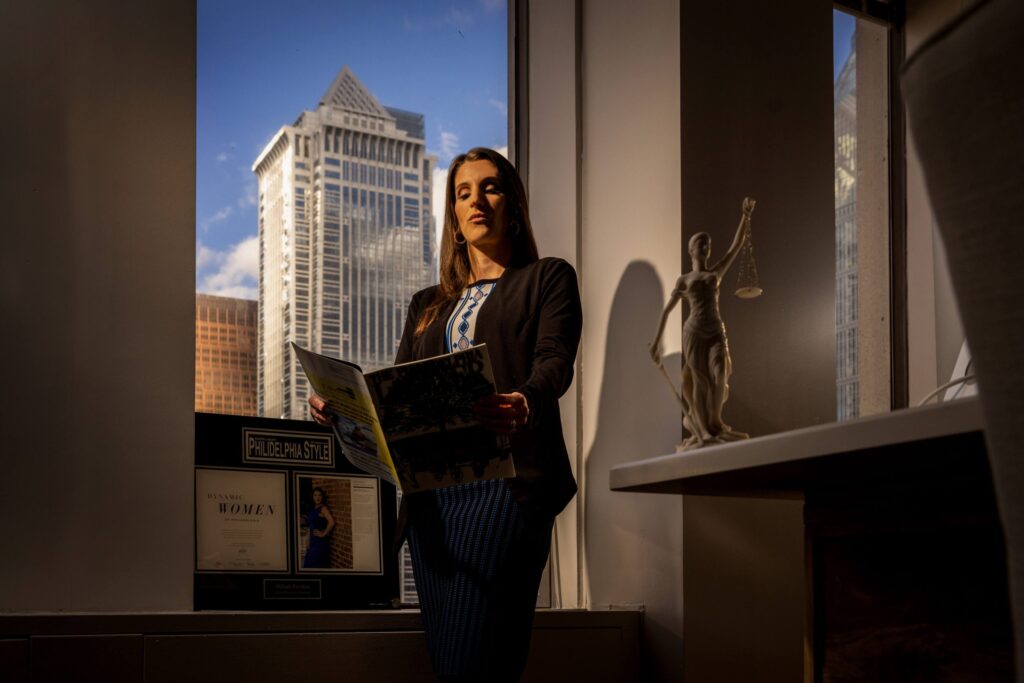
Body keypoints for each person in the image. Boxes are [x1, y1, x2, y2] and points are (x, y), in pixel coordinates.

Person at [310, 147, 582, 682]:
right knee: (455, 661)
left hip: (507, 488)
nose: (477, 200)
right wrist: (344, 413)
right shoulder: (426, 304)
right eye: (463, 193)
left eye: (491, 187)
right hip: (432, 503)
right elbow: (398, 401)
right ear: (454, 220)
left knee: (474, 661)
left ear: (514, 206)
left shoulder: (547, 277)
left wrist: (524, 400)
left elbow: (555, 361)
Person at [649, 197, 755, 449]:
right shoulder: (684, 280)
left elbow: (736, 246)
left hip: (716, 329)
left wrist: (745, 216)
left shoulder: (714, 273)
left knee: (721, 374)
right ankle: (704, 431)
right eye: (700, 244)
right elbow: (666, 311)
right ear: (691, 250)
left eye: (707, 244)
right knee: (698, 381)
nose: (705, 247)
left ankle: (715, 423)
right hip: (694, 331)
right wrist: (656, 344)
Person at [302, 486, 334, 569]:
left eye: (320, 495)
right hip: (312, 541)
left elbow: (331, 522)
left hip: (319, 543)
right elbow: (311, 526)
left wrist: (323, 534)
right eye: (315, 495)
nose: (317, 497)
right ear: (312, 497)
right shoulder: (313, 508)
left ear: (322, 497)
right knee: (308, 565)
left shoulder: (323, 508)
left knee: (315, 565)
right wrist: (308, 540)